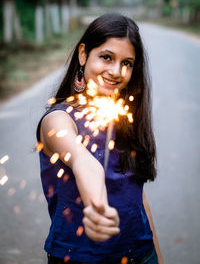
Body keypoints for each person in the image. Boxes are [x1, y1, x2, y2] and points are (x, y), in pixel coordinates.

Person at [36, 13, 163, 264]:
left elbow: (138, 197)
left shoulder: (124, 117)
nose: (116, 71)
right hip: (80, 258)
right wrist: (98, 208)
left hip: (141, 253)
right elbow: (85, 164)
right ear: (83, 54)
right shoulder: (59, 120)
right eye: (106, 57)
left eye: (127, 63)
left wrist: (156, 255)